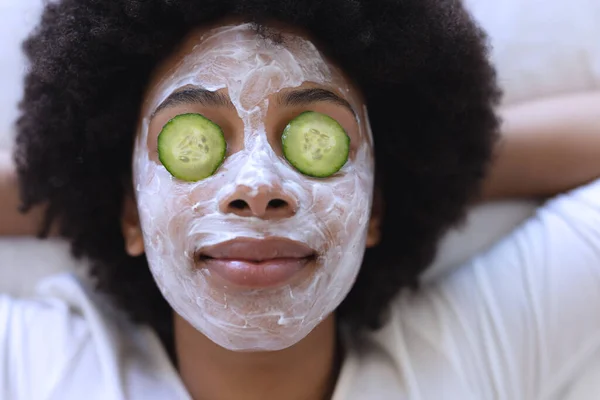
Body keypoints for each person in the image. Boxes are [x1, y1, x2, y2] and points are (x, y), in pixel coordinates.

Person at [0, 1, 598, 399]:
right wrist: (69, 180)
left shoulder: (479, 352)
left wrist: (428, 170)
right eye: (194, 142)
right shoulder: (37, 367)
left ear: (377, 207)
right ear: (131, 212)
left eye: (318, 139)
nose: (257, 186)